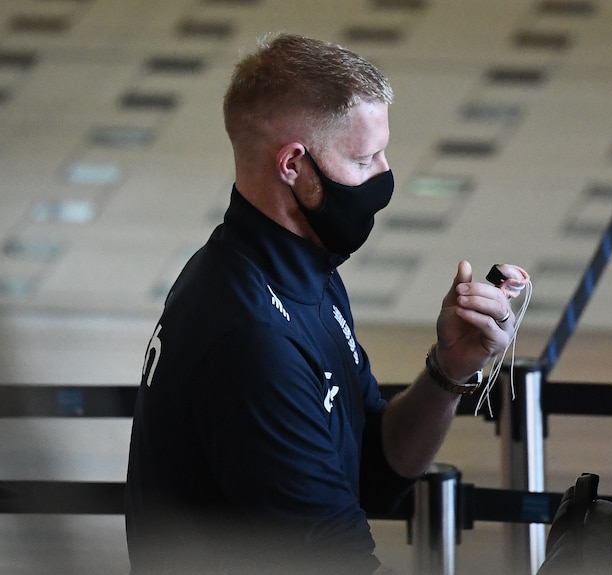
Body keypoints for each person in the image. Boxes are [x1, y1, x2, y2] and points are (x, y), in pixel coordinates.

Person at [124, 32, 516, 575]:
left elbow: (374, 471)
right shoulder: (251, 336)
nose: (384, 176)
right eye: (363, 158)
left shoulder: (301, 269)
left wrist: (450, 368)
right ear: (293, 164)